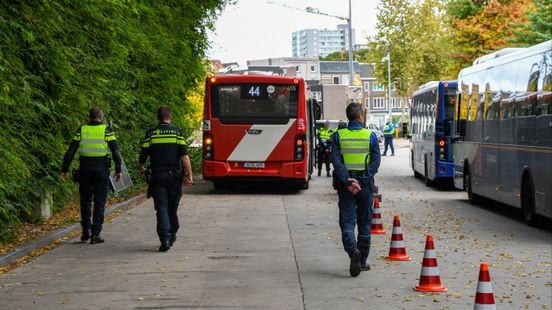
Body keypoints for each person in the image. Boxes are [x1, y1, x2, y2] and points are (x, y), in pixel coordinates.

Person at [332, 102, 380, 277]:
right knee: (365, 222)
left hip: (346, 187)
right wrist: (362, 180)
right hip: (365, 186)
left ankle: (353, 251)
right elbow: (375, 163)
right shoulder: (371, 136)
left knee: (347, 222)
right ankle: (362, 261)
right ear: (360, 115)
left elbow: (336, 162)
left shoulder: (338, 136)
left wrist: (348, 182)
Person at [60, 107, 122, 244]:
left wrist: (64, 170)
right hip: (101, 171)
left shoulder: (81, 130)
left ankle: (85, 232)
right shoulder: (107, 130)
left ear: (90, 117)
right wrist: (118, 170)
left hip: (85, 170)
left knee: (85, 200)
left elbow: (70, 152)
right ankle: (96, 234)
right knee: (99, 202)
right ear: (101, 117)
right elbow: (116, 152)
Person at [139, 106, 193, 252]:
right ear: (169, 117)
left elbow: (143, 154)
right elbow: (184, 156)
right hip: (174, 177)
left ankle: (165, 238)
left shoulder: (151, 134)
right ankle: (172, 233)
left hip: (157, 177)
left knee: (161, 207)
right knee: (172, 207)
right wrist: (190, 174)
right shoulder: (177, 134)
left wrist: (141, 167)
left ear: (158, 118)